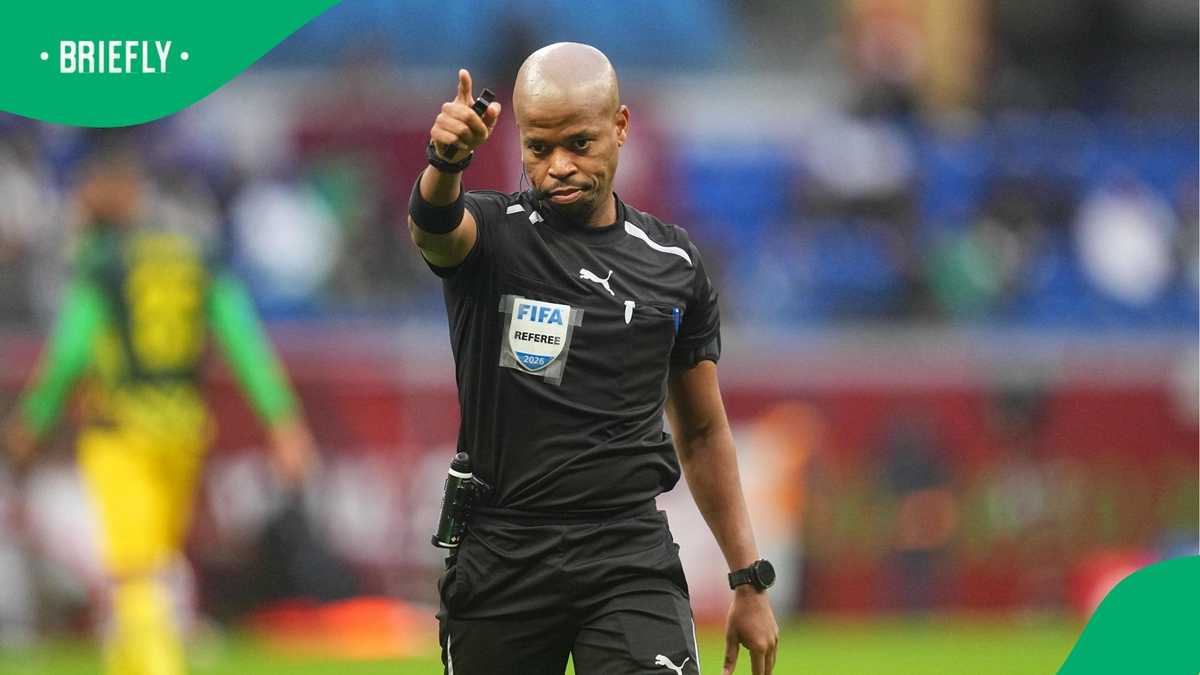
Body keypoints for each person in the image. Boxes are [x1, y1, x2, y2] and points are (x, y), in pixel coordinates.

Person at [407, 43, 779, 675]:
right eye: (538, 148)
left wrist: (748, 578)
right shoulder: (492, 236)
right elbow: (435, 228)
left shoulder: (673, 265)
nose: (558, 166)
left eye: (579, 143)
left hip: (627, 555)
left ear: (621, 126)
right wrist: (446, 162)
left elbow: (702, 430)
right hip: (502, 554)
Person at [2, 145, 317, 675]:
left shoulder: (103, 261)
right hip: (182, 431)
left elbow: (71, 351)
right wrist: (283, 421)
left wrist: (32, 421)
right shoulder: (196, 252)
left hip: (121, 431)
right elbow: (243, 340)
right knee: (152, 567)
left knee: (136, 571)